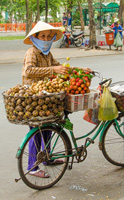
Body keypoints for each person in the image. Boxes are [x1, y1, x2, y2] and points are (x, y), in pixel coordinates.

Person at [22, 21, 91, 178]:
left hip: (47, 97)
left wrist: (80, 70)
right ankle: (32, 167)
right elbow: (29, 70)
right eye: (42, 36)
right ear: (35, 37)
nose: (46, 39)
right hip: (34, 99)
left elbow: (62, 68)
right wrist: (53, 69)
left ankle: (47, 158)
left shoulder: (47, 54)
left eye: (48, 37)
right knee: (37, 132)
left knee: (48, 127)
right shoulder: (32, 52)